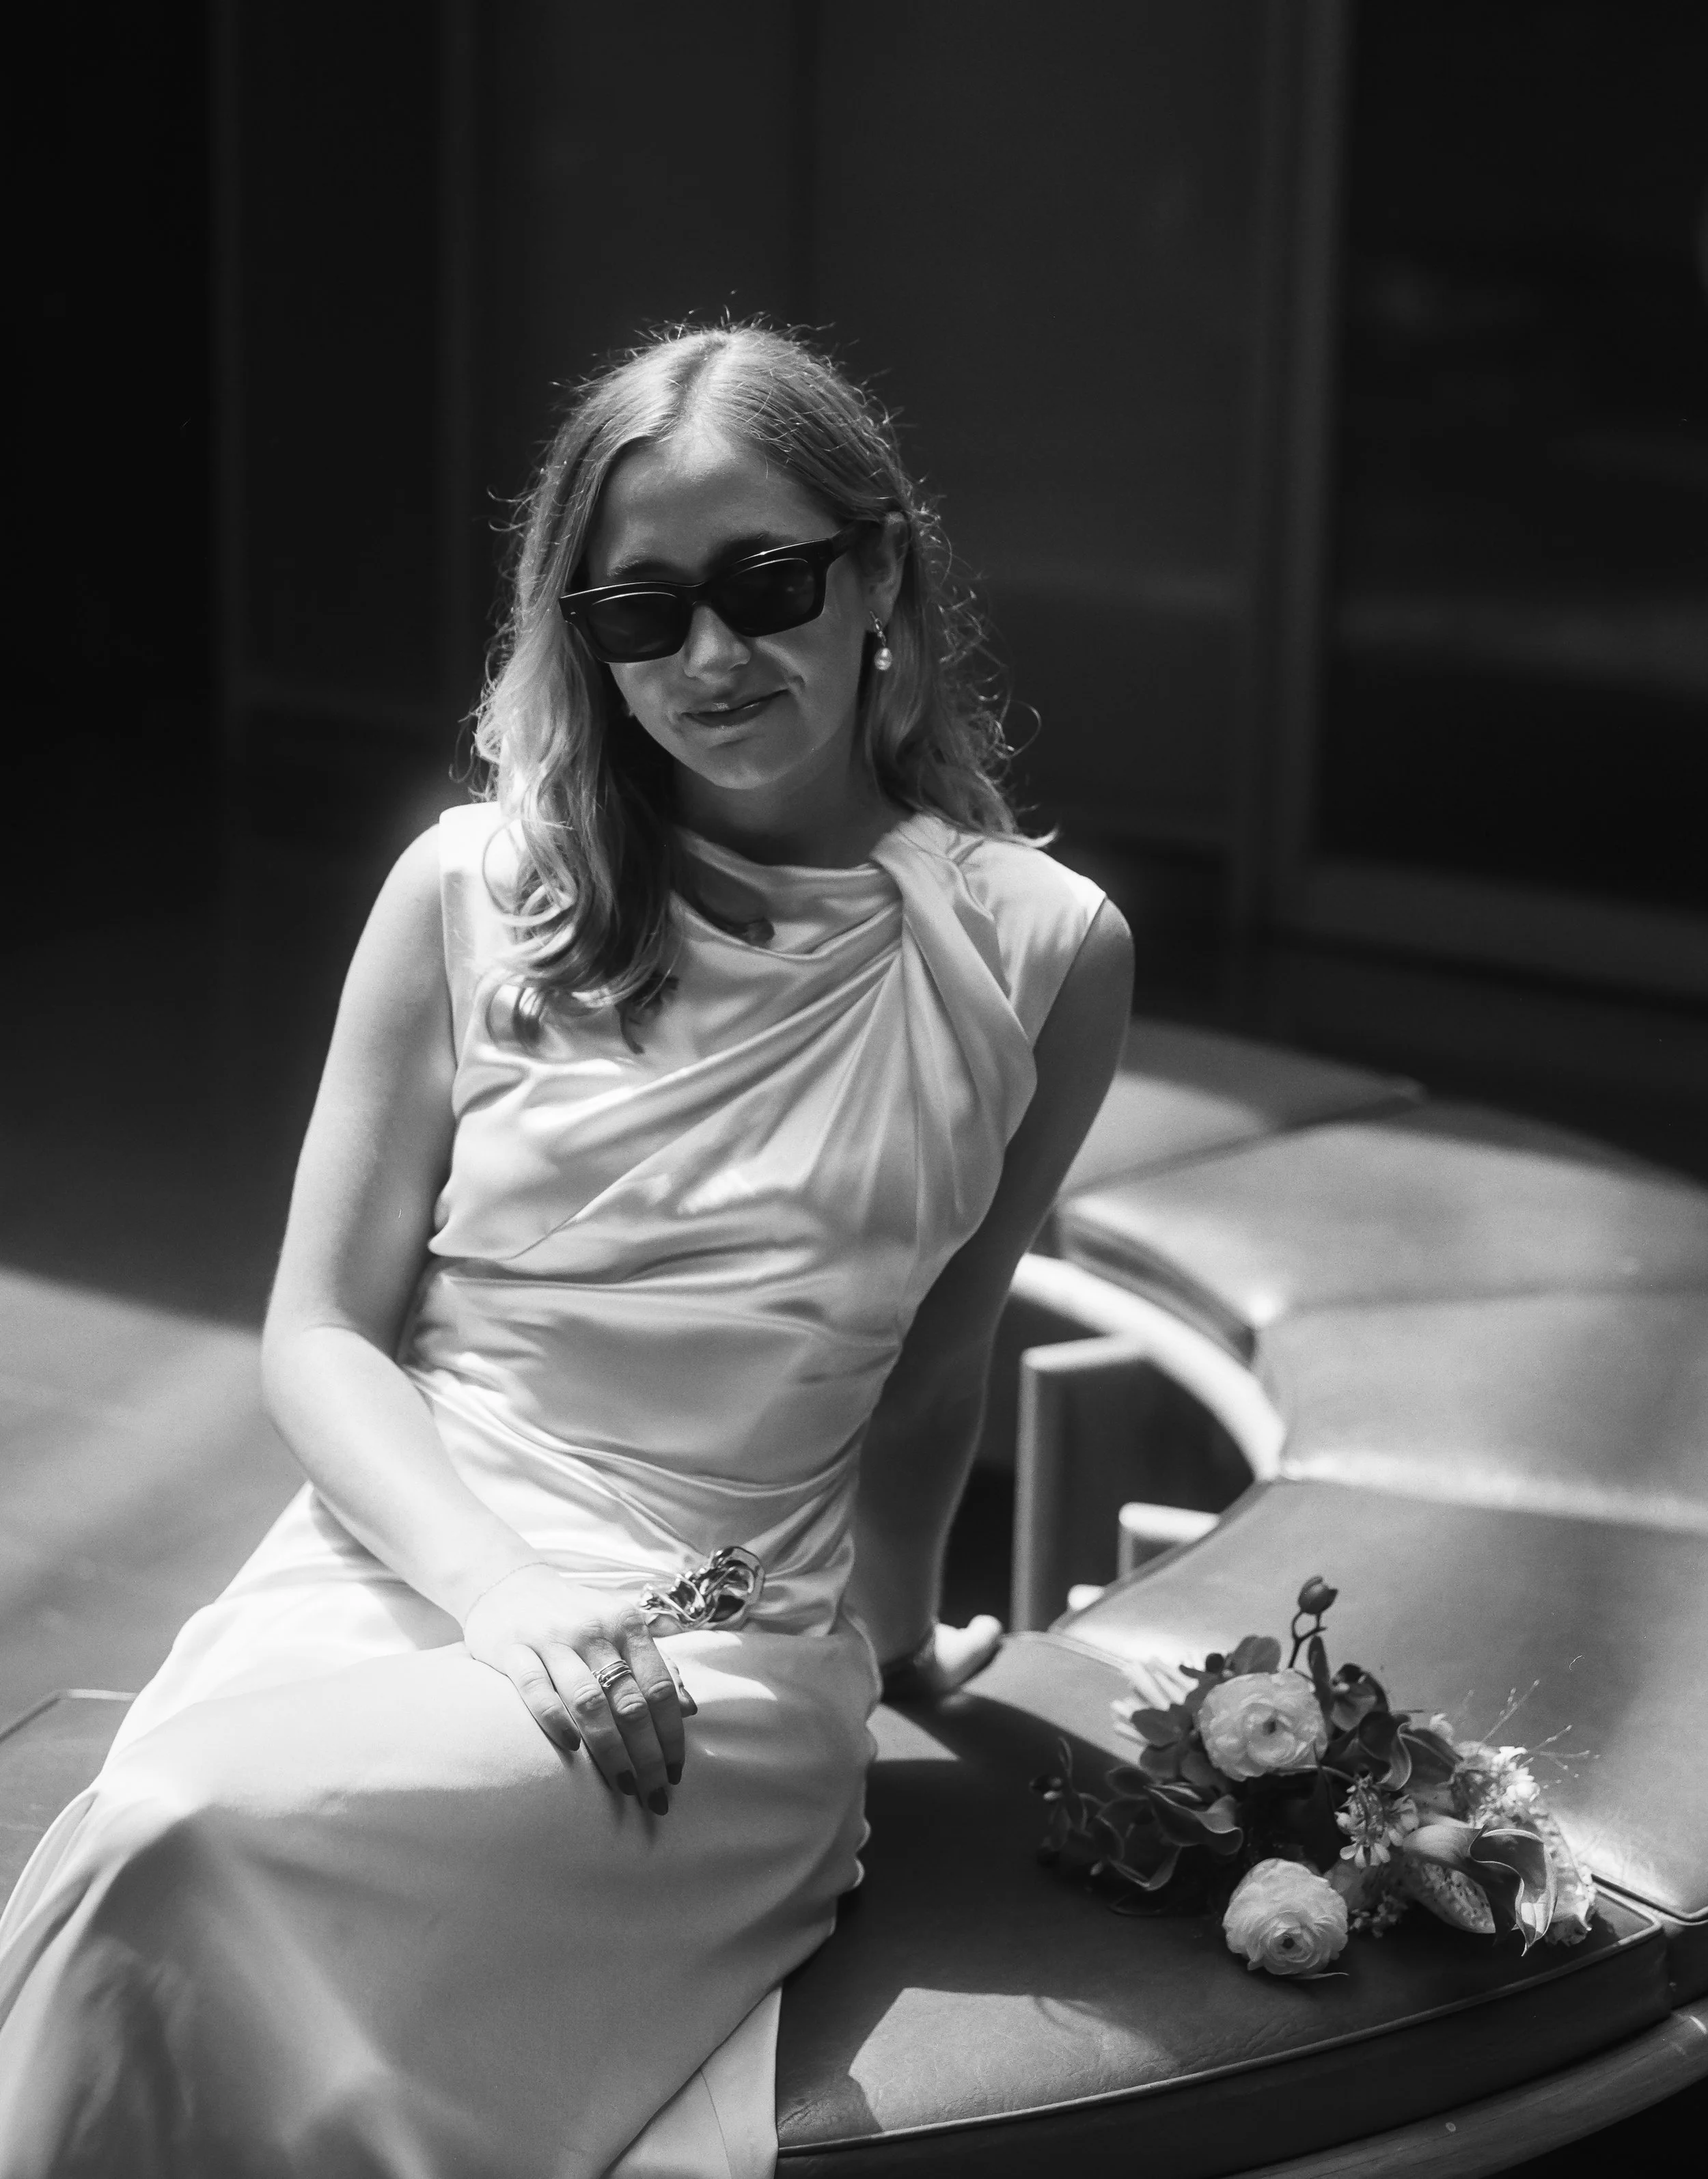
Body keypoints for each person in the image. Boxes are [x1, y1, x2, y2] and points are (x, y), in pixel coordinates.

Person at [0, 323, 1131, 2176]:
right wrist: (499, 1585)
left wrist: (905, 1641)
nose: (710, 656)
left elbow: (938, 1354)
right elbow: (319, 1335)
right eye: (640, 608)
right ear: (579, 635)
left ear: (882, 580)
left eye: (767, 584)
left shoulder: (1043, 951)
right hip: (412, 1554)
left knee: (181, 1831)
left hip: (720, 1641)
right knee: (172, 1835)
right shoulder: (467, 889)